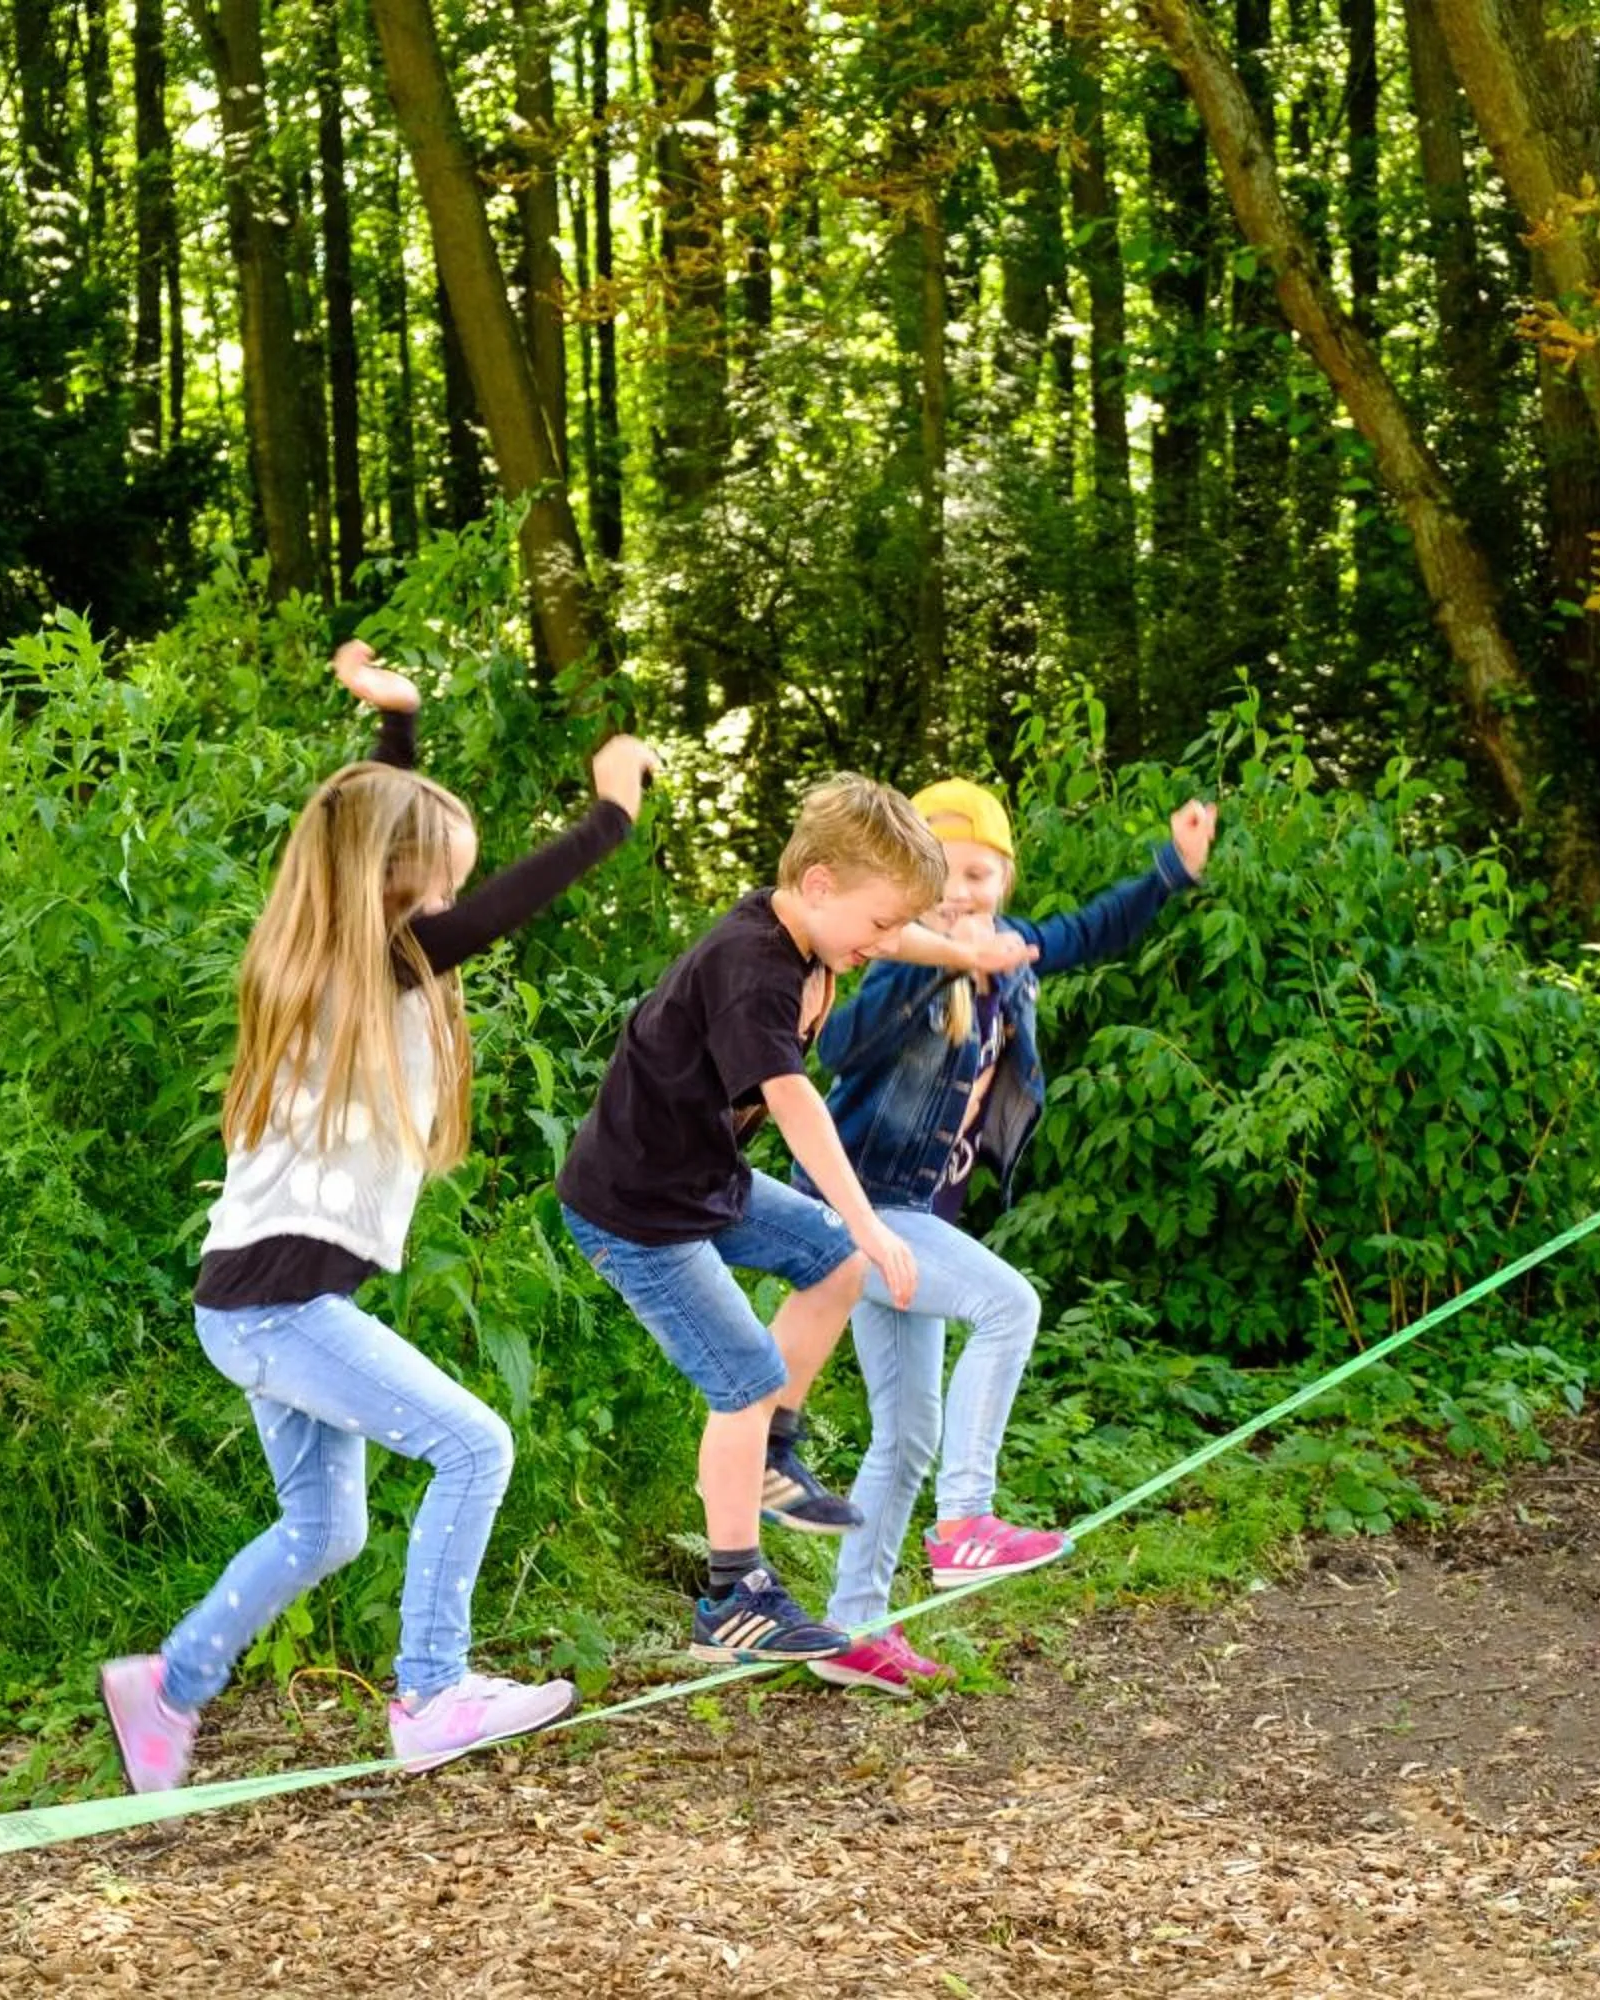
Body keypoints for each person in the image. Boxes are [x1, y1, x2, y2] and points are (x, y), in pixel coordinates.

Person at [99, 641, 659, 1786]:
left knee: (328, 1527)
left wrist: (399, 727)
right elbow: (486, 906)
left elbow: (368, 825)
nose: (454, 901)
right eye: (439, 881)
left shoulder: (342, 950)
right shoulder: (368, 963)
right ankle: (434, 1688)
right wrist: (607, 816)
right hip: (278, 1300)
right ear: (394, 889)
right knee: (475, 1442)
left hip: (256, 1297)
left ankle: (167, 1686)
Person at [555, 774, 999, 1662]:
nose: (884, 943)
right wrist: (872, 1220)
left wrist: (962, 955)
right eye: (877, 926)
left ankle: (775, 1450)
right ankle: (733, 1596)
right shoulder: (752, 966)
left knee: (832, 1263)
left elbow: (894, 927)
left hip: (701, 1181)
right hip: (638, 1212)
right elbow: (795, 1104)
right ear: (824, 885)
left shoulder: (807, 921)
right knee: (747, 1379)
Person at [798, 777, 1215, 1695]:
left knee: (905, 1435)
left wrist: (1171, 871)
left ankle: (849, 1628)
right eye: (942, 877)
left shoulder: (1013, 955)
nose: (962, 894)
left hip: (915, 1220)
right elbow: (835, 1049)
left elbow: (1091, 931)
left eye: (979, 876)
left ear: (1004, 879)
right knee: (1008, 1302)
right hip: (855, 1208)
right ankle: (966, 1524)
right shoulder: (906, 960)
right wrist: (945, 963)